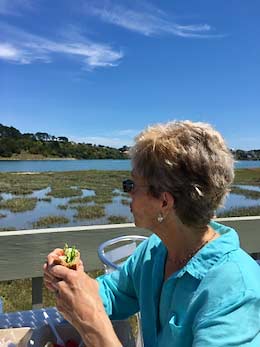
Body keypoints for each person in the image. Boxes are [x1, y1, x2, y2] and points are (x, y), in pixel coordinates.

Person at [44, 120, 260, 347]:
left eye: (132, 185)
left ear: (164, 202)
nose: (128, 194)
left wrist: (93, 327)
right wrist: (74, 280)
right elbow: (116, 293)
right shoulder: (154, 251)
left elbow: (96, 320)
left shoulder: (236, 293)